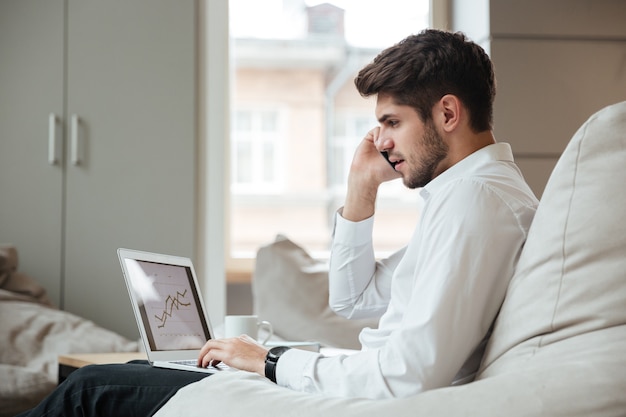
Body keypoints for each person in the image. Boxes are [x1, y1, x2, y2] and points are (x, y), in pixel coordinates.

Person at [16, 29, 538, 416]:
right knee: (132, 373)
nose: (379, 141)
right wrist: (360, 189)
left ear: (448, 114)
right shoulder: (471, 197)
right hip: (349, 383)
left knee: (90, 391)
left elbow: (404, 377)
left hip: (359, 399)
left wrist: (267, 362)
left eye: (392, 123)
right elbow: (352, 300)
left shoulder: (476, 203)